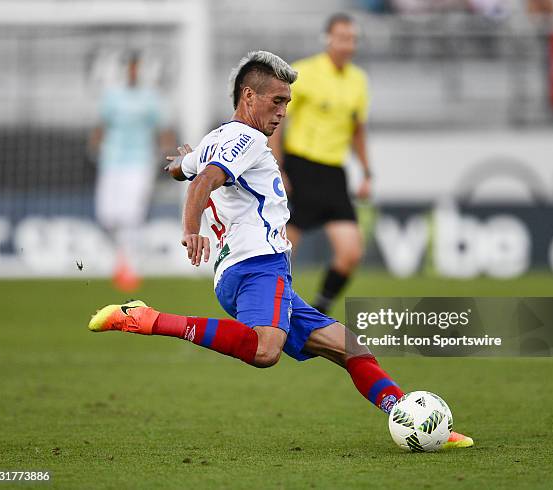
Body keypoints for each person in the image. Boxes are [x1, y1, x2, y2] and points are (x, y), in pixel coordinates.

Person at [87, 50, 473, 449]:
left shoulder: (215, 140)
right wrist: (191, 229)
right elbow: (203, 182)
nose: (284, 111)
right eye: (277, 101)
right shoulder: (245, 138)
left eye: (287, 102)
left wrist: (182, 162)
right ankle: (147, 318)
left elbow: (182, 171)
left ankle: (418, 423)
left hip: (257, 272)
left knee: (352, 349)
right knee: (265, 350)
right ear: (248, 96)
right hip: (256, 266)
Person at [269, 13, 371, 315]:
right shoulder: (304, 73)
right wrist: (278, 166)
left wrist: (366, 172)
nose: (347, 45)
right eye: (342, 38)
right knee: (282, 252)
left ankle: (318, 310)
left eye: (352, 39)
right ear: (328, 39)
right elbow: (277, 122)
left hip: (334, 173)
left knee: (351, 253)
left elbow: (357, 130)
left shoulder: (358, 81)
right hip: (301, 167)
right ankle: (272, 311)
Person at [90, 51, 175, 291]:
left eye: (137, 68)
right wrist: (94, 149)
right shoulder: (112, 96)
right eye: (130, 67)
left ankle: (129, 266)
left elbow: (163, 128)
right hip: (111, 160)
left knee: (131, 214)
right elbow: (101, 126)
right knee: (107, 215)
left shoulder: (151, 98)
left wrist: (167, 156)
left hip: (139, 161)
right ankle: (122, 259)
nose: (133, 72)